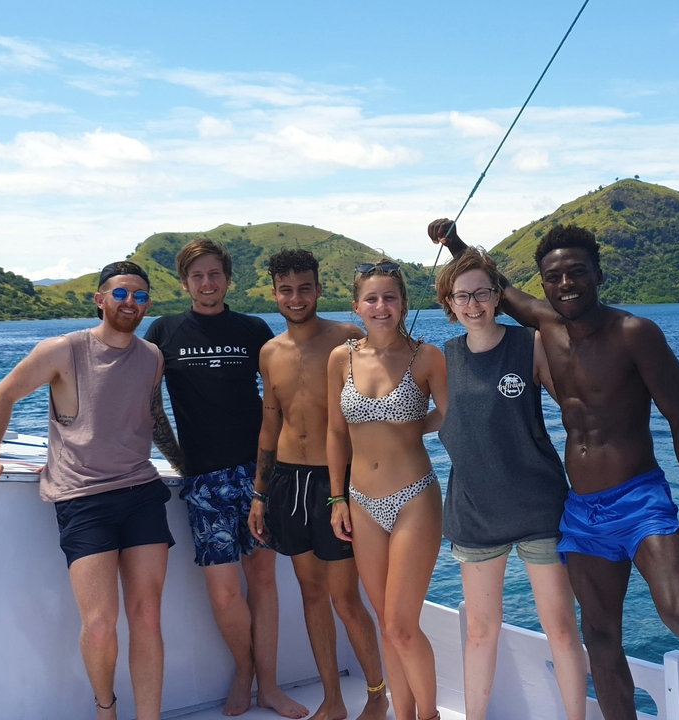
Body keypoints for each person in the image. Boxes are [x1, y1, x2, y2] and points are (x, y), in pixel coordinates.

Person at [429, 219, 679, 720]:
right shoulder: (546, 327)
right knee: (599, 637)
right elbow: (494, 288)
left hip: (639, 497)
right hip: (581, 509)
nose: (566, 284)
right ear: (544, 283)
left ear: (598, 274)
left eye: (577, 272)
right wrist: (454, 242)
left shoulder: (635, 334)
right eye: (554, 277)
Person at [0, 261, 183, 720]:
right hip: (83, 498)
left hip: (142, 492)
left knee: (147, 616)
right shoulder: (63, 350)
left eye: (140, 296)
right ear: (100, 300)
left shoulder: (151, 356)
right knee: (100, 624)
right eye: (120, 294)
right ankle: (106, 709)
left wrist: (182, 465)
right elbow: (4, 395)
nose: (130, 302)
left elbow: (154, 414)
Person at [143, 239, 307, 719]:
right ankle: (244, 671)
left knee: (263, 581)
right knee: (223, 589)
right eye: (197, 276)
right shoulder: (164, 331)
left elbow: (283, 398)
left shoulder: (252, 329)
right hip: (203, 480)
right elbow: (149, 406)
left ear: (228, 279)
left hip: (259, 474)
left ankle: (270, 687)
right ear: (184, 283)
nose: (207, 283)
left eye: (215, 274)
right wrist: (180, 463)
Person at [433, 248, 589, 720]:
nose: (473, 304)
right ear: (449, 302)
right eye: (462, 296)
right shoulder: (442, 359)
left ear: (497, 296)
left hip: (540, 508)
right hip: (475, 513)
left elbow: (577, 410)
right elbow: (425, 417)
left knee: (561, 629)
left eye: (482, 293)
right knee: (481, 630)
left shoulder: (529, 344)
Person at [246, 249, 390, 720]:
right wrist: (259, 495)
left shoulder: (347, 338)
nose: (296, 298)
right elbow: (270, 426)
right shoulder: (269, 353)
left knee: (345, 598)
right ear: (274, 294)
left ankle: (377, 694)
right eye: (286, 290)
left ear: (319, 289)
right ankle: (333, 699)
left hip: (336, 481)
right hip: (287, 482)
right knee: (312, 594)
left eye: (304, 288)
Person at [326, 261, 449, 720]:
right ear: (356, 306)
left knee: (401, 625)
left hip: (414, 497)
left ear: (403, 304)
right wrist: (337, 498)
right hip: (360, 501)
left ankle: (430, 716)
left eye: (390, 298)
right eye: (372, 299)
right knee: (385, 624)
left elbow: (450, 414)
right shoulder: (341, 359)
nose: (381, 307)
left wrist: (415, 426)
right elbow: (335, 432)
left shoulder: (427, 357)